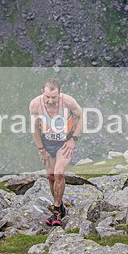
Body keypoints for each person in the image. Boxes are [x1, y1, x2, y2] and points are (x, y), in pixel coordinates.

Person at [28, 78, 83, 226]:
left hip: (63, 143)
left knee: (59, 173)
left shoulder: (68, 102)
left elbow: (81, 115)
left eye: (54, 97)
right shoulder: (35, 105)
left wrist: (73, 139)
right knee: (51, 177)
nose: (51, 101)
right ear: (42, 93)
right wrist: (41, 149)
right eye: (47, 97)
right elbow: (34, 129)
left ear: (59, 94)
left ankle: (56, 211)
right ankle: (60, 205)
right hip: (46, 143)